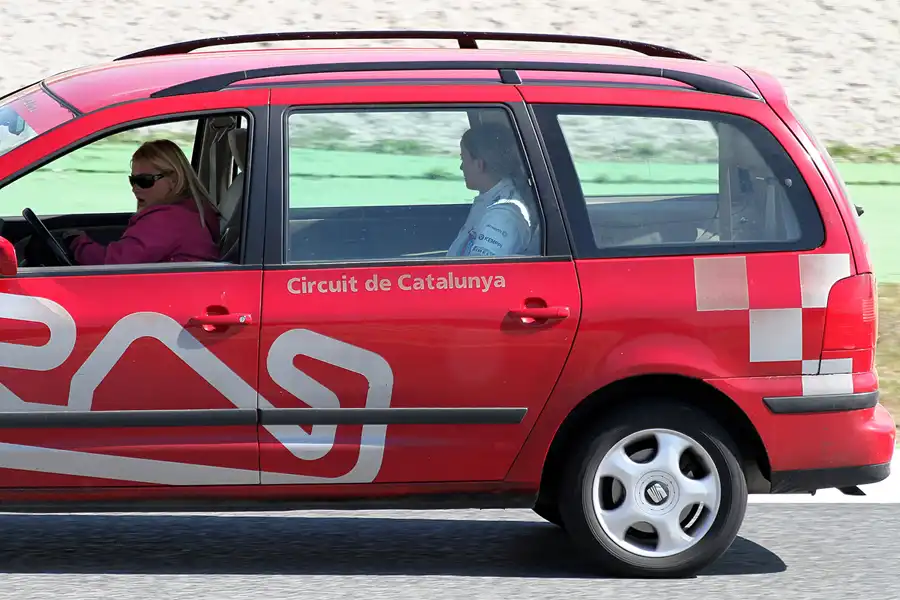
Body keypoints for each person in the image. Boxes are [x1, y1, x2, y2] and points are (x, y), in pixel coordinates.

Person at [64, 139, 221, 265]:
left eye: (144, 181)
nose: (135, 189)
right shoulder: (190, 212)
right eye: (133, 181)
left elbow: (114, 263)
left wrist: (77, 243)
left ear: (173, 180)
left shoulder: (167, 220)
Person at [447, 122, 540, 258]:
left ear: (479, 164)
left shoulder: (502, 216)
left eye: (463, 159)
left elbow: (479, 274)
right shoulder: (492, 199)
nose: (461, 167)